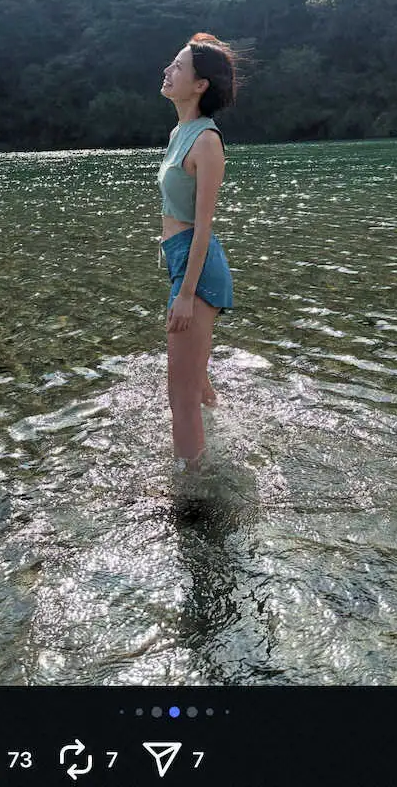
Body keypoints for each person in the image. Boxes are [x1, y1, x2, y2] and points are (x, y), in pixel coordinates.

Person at [158, 32, 238, 469]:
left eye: (178, 67)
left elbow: (204, 226)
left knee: (180, 396)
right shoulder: (180, 132)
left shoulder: (207, 141)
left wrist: (186, 293)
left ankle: (191, 492)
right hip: (181, 263)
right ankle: (224, 442)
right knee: (197, 385)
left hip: (198, 270)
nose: (167, 71)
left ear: (200, 84)